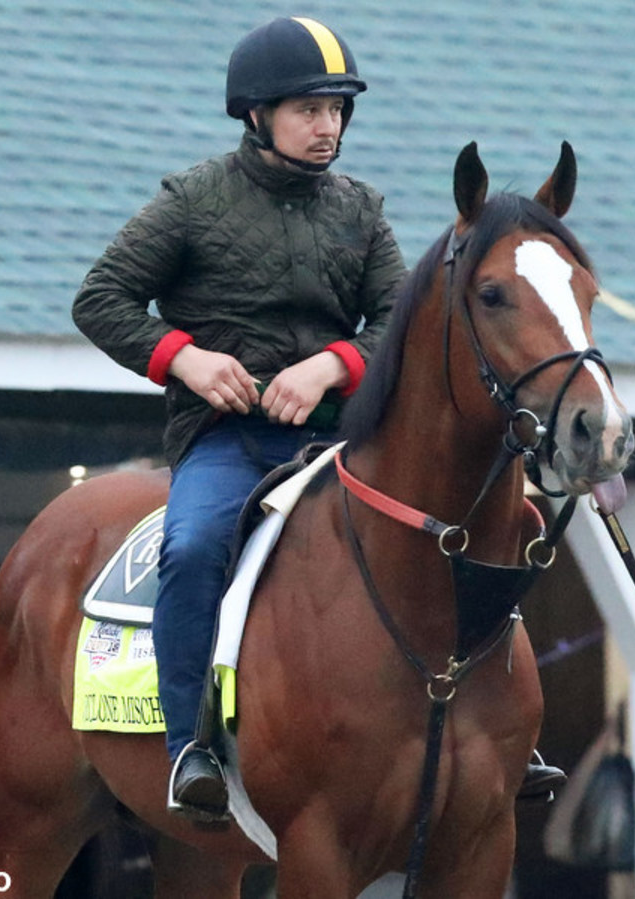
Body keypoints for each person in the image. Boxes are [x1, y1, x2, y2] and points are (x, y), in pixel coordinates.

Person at [73, 16, 564, 823]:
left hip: (344, 440)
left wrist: (334, 364)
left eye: (338, 110)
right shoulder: (191, 200)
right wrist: (187, 360)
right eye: (309, 109)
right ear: (257, 115)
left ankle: (505, 730)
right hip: (230, 439)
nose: (328, 127)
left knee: (504, 523)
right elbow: (100, 299)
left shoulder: (361, 211)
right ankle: (191, 745)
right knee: (193, 547)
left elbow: (400, 324)